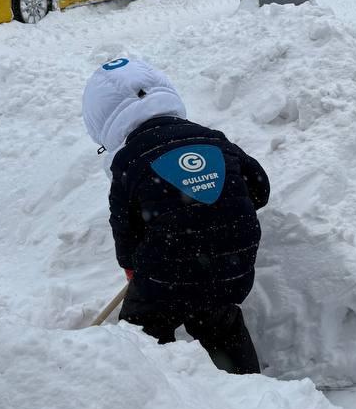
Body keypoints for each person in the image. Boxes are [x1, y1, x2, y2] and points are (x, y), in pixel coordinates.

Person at [81, 56, 271, 373]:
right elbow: (260, 188)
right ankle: (248, 386)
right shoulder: (212, 138)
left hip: (166, 269)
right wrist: (221, 210)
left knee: (142, 334)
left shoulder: (127, 161)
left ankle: (154, 390)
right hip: (233, 258)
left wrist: (132, 267)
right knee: (218, 319)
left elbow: (124, 228)